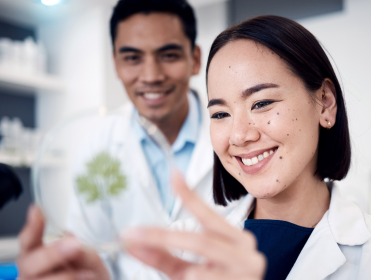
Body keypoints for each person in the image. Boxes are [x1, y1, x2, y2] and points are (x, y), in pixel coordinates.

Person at [18, 0, 232, 279]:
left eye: (168, 55)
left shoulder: (235, 136)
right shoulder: (99, 146)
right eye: (132, 58)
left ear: (194, 60)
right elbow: (92, 246)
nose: (151, 76)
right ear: (116, 64)